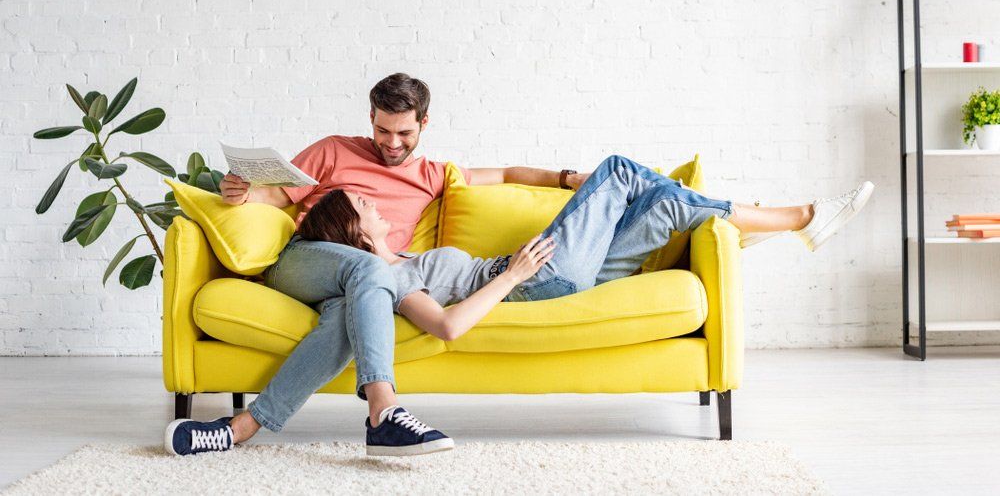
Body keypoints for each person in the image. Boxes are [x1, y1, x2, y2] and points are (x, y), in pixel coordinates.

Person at [166, 73, 600, 458]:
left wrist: (566, 178)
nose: (392, 143)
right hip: (306, 260)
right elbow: (276, 197)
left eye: (404, 133)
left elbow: (504, 175)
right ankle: (383, 412)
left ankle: (239, 428)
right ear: (370, 118)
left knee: (349, 314)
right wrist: (242, 195)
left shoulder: (431, 174)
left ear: (424, 123)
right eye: (382, 130)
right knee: (373, 269)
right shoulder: (333, 150)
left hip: (363, 283)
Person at [297, 155, 874, 344]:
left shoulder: (398, 259)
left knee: (668, 206)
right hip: (535, 279)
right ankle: (800, 216)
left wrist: (563, 180)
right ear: (356, 232)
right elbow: (447, 327)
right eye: (364, 205)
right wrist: (512, 274)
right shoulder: (389, 280)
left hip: (565, 277)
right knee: (618, 169)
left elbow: (500, 171)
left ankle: (784, 223)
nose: (375, 204)